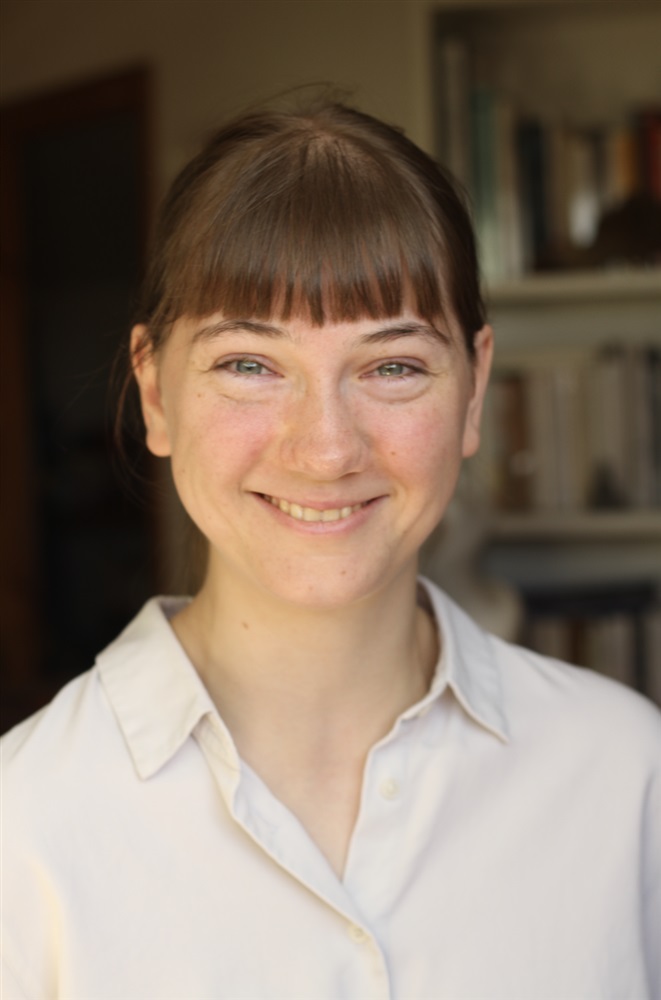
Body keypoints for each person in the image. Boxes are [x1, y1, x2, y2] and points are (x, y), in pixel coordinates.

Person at [2, 97, 659, 1000]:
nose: (324, 450)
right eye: (248, 364)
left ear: (472, 393)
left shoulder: (628, 777)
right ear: (154, 393)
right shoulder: (23, 824)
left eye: (392, 366)